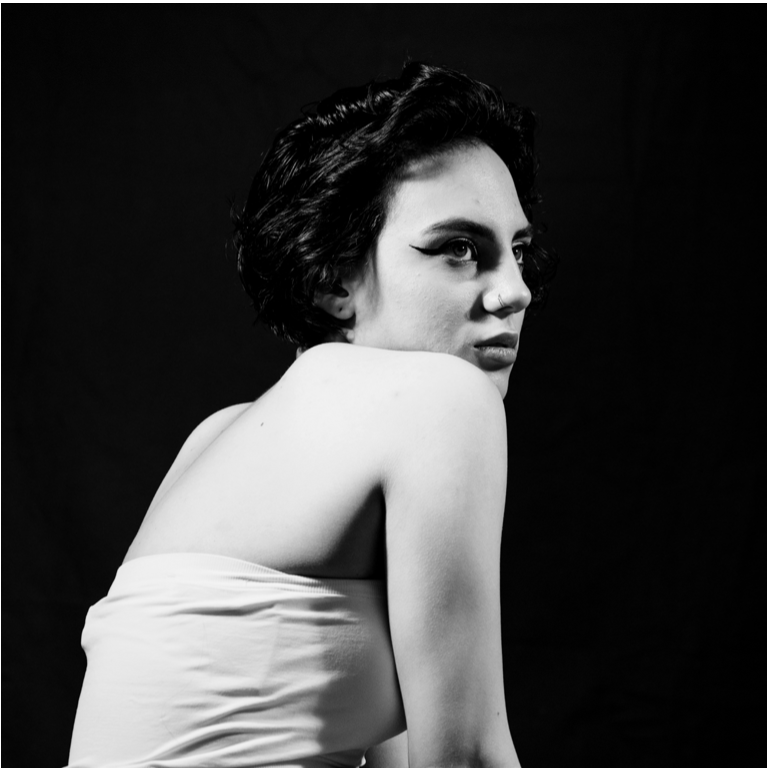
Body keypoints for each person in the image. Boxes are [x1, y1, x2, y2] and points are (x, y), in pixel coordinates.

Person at [67, 61, 557, 768]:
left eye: (518, 252)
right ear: (332, 279)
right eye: (459, 249)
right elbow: (466, 757)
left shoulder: (219, 434)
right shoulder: (443, 402)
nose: (515, 291)